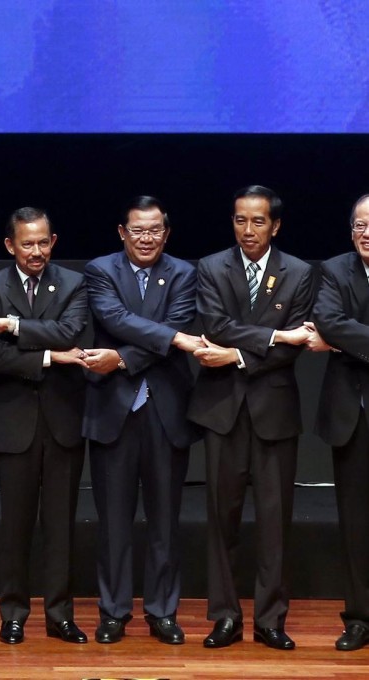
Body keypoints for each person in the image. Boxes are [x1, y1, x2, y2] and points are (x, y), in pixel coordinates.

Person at [188, 185, 317, 651]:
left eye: (258, 221)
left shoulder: (300, 272)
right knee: (221, 519)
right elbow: (214, 325)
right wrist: (276, 335)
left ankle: (270, 619)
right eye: (240, 220)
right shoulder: (210, 267)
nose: (248, 230)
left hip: (275, 412)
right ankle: (224, 616)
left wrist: (239, 357)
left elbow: (296, 346)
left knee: (273, 520)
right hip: (222, 411)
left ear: (275, 225)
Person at [81, 196, 201, 645]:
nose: (146, 238)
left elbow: (177, 324)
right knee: (113, 519)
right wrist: (173, 339)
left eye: (154, 231)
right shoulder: (100, 271)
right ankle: (113, 611)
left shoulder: (185, 274)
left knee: (165, 519)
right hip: (113, 409)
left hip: (167, 409)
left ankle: (162, 611)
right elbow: (115, 318)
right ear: (122, 232)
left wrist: (124, 358)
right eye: (138, 231)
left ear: (166, 234)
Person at [0, 207, 90, 645]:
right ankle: (13, 614)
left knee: (61, 525)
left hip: (64, 420)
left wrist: (14, 326)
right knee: (15, 525)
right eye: (27, 244)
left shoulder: (76, 283)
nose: (36, 251)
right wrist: (47, 356)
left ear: (53, 241)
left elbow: (71, 330)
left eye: (43, 242)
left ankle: (60, 614)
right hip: (13, 423)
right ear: (10, 245)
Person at [309, 196, 369, 651]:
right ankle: (359, 617)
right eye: (360, 225)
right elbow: (327, 320)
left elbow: (338, 333)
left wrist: (346, 340)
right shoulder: (334, 270)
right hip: (352, 413)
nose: (366, 233)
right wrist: (338, 335)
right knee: (355, 522)